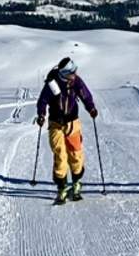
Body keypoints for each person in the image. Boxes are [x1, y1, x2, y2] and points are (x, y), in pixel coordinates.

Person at [36, 57, 98, 204]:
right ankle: (62, 187)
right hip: (56, 123)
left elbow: (85, 95)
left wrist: (91, 108)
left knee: (75, 153)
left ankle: (76, 183)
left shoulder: (76, 81)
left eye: (75, 70)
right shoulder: (52, 84)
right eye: (72, 72)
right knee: (60, 155)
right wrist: (41, 115)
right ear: (64, 73)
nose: (75, 74)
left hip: (72, 122)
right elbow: (43, 100)